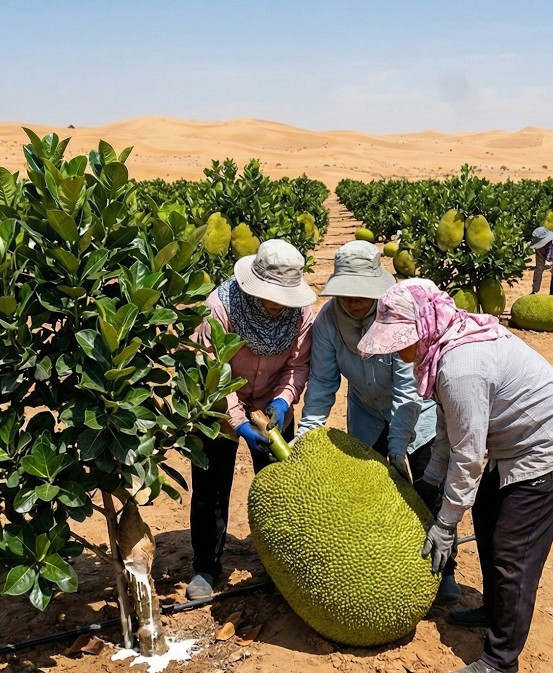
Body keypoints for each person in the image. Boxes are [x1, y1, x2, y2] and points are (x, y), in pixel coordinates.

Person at [357, 279, 553, 673]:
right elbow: (450, 430)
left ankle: (502, 659)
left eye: (402, 341)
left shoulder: (461, 366)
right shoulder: (445, 345)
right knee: (486, 517)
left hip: (550, 448)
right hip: (516, 444)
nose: (398, 350)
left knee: (512, 548)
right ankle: (494, 609)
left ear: (424, 326)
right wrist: (431, 483)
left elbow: (469, 456)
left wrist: (446, 522)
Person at [296, 242, 460, 602]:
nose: (354, 301)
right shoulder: (327, 322)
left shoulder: (397, 315)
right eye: (347, 294)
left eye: (362, 294)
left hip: (418, 414)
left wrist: (399, 446)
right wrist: (309, 432)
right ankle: (385, 564)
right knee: (370, 498)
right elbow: (323, 382)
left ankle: (446, 569)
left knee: (427, 492)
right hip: (366, 415)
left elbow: (408, 389)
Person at [187, 239, 316, 601]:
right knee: (211, 487)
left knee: (279, 486)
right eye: (271, 295)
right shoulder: (219, 308)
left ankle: (281, 560)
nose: (278, 305)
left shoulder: (301, 314)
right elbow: (212, 370)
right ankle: (206, 565)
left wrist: (283, 403)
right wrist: (238, 422)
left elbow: (297, 365)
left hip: (270, 401)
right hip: (217, 401)